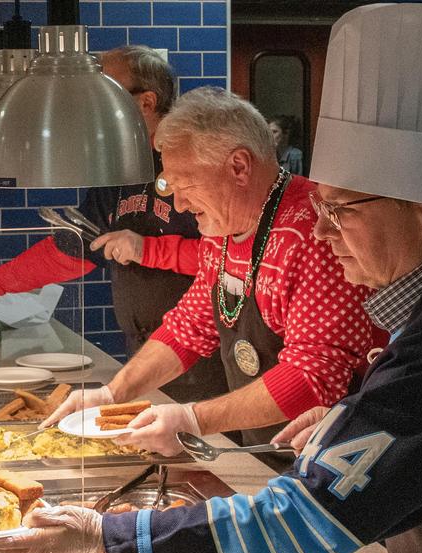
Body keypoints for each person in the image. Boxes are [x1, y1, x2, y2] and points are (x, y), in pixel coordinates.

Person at [0, 5, 422, 553]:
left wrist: (103, 539)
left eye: (340, 211)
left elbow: (293, 525)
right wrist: (362, 414)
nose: (323, 229)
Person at [44, 86, 382, 471]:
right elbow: (189, 326)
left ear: (239, 167)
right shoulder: (220, 235)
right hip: (262, 451)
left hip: (336, 461)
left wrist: (193, 420)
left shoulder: (314, 232)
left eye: (185, 186)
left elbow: (314, 376)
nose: (180, 205)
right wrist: (111, 394)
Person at [0, 44, 229, 403]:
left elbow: (236, 259)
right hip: (145, 352)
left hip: (203, 359)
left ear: (145, 103)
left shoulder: (196, 160)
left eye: (106, 94)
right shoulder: (120, 165)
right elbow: (75, 249)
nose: (93, 108)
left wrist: (147, 250)